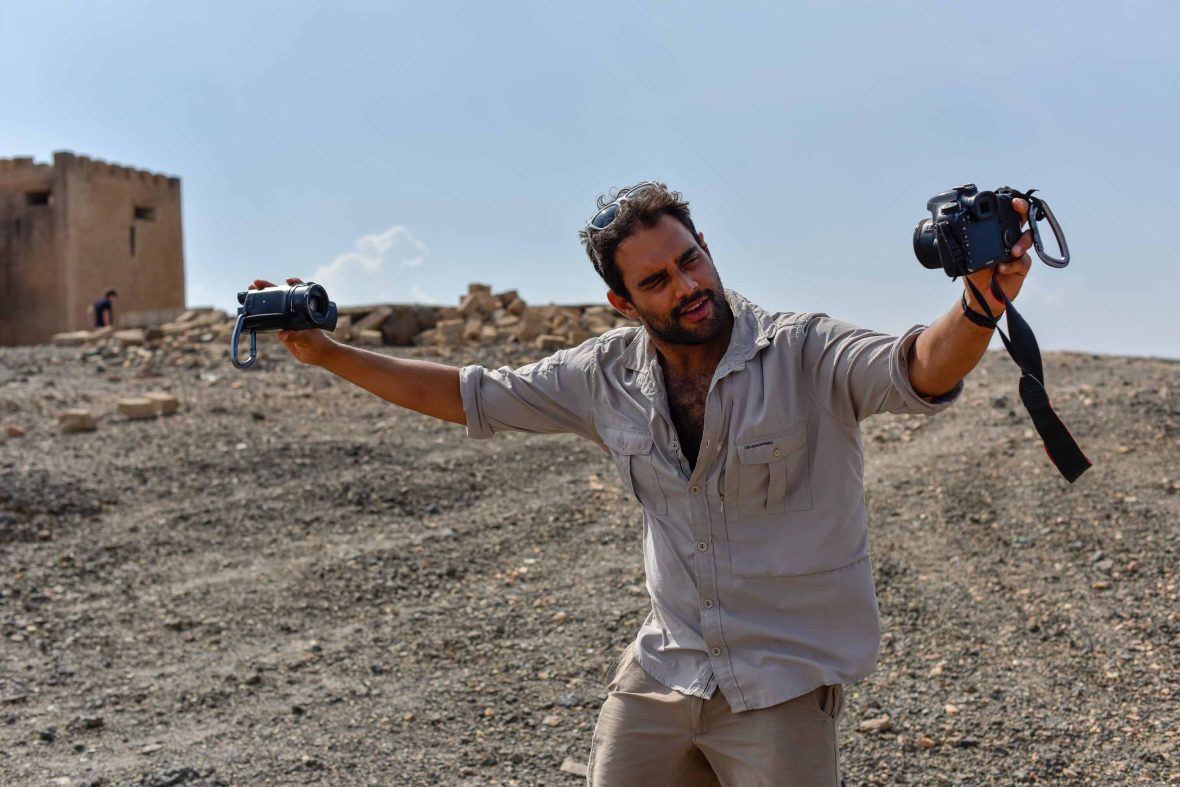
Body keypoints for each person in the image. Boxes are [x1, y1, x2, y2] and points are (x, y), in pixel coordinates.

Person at [249, 182, 1033, 786]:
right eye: (656, 280)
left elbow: (918, 368)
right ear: (624, 302)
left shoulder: (804, 351)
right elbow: (468, 394)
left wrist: (976, 305)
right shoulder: (603, 375)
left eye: (691, 259)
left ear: (708, 249)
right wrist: (331, 355)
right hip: (666, 666)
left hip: (784, 680)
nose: (686, 285)